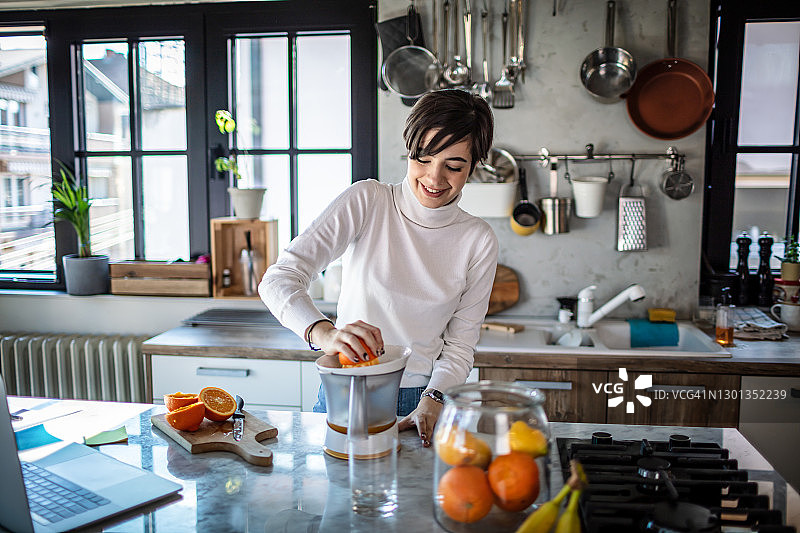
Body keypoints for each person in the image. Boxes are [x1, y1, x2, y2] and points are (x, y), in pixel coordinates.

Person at [258, 89, 497, 447]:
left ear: (474, 166)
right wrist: (325, 334)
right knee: (337, 499)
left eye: (454, 165)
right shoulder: (368, 201)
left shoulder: (477, 239)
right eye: (423, 158)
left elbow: (460, 346)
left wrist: (433, 400)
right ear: (409, 150)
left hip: (422, 402)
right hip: (346, 389)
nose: (434, 178)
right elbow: (278, 279)